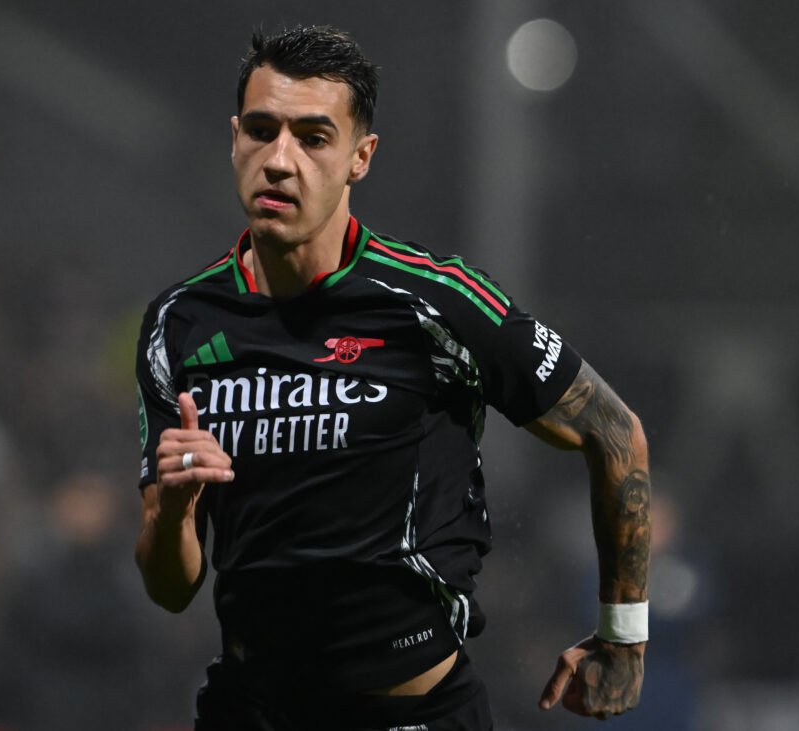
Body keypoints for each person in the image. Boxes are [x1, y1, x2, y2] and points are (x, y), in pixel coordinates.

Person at [134, 25, 649, 730]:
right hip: (248, 709)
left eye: (313, 138)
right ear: (234, 138)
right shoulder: (179, 322)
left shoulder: (438, 300)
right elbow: (170, 586)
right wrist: (174, 510)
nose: (279, 160)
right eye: (261, 130)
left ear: (360, 157)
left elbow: (614, 430)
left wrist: (623, 635)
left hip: (413, 714)